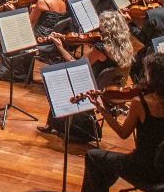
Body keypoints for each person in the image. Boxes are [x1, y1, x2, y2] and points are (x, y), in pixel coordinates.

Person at [80, 52, 164, 192]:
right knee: (152, 155)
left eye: (147, 73)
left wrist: (100, 108)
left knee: (94, 157)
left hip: (143, 169)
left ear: (153, 77)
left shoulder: (141, 103)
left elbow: (123, 133)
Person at [42, 10, 135, 139]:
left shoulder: (101, 49)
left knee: (60, 81)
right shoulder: (126, 46)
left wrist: (60, 47)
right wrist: (65, 37)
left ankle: (56, 125)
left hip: (92, 90)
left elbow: (75, 64)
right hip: (112, 89)